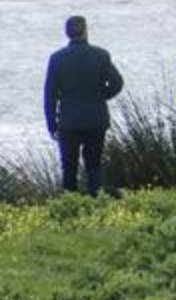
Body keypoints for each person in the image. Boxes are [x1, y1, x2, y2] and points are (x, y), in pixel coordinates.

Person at [42, 16, 124, 196]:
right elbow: (117, 83)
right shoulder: (101, 55)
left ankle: (71, 206)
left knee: (69, 168)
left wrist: (52, 125)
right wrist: (102, 95)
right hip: (96, 120)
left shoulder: (57, 59)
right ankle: (96, 202)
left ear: (67, 33)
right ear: (85, 30)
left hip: (69, 123)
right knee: (94, 165)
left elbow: (50, 96)